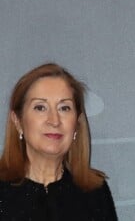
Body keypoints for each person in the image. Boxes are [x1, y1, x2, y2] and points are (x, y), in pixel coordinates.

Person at [0, 63, 118, 221]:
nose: (54, 121)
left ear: (76, 123)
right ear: (18, 121)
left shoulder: (95, 193)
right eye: (40, 107)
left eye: (64, 108)